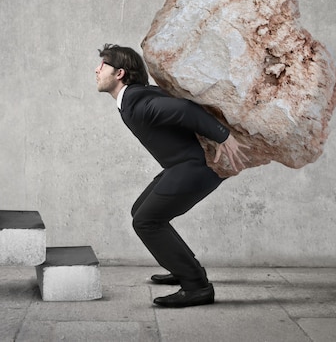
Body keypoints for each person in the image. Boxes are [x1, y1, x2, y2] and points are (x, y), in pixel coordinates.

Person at [95, 43, 246, 308]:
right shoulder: (134, 97)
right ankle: (181, 267)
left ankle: (196, 286)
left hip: (196, 168)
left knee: (147, 221)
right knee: (140, 211)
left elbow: (184, 110)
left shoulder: (138, 102)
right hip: (182, 166)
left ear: (119, 73)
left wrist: (223, 136)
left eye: (102, 65)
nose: (96, 70)